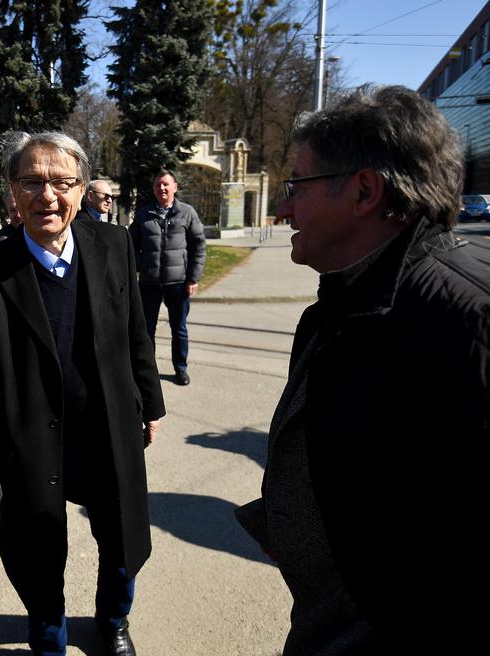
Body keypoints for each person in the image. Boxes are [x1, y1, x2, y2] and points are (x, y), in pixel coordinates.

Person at [235, 85, 489, 653]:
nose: (282, 208)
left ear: (365, 191)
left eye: (296, 185)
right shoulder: (342, 301)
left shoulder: (467, 319)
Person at [0, 132, 165, 656]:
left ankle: (114, 619)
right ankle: (49, 635)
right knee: (39, 552)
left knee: (122, 540)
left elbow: (134, 333)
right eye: (32, 182)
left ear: (82, 190)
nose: (47, 196)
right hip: (35, 436)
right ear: (12, 192)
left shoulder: (112, 244)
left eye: (61, 182)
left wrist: (151, 401)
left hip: (108, 428)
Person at [129, 170, 206, 385]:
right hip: (148, 284)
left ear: (175, 187)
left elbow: (199, 246)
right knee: (147, 330)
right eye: (157, 185)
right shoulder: (144, 214)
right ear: (153, 189)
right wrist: (140, 265)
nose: (161, 189)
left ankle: (180, 369)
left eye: (165, 184)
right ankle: (148, 371)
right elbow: (130, 245)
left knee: (179, 329)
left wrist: (193, 277)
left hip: (178, 284)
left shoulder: (187, 213)